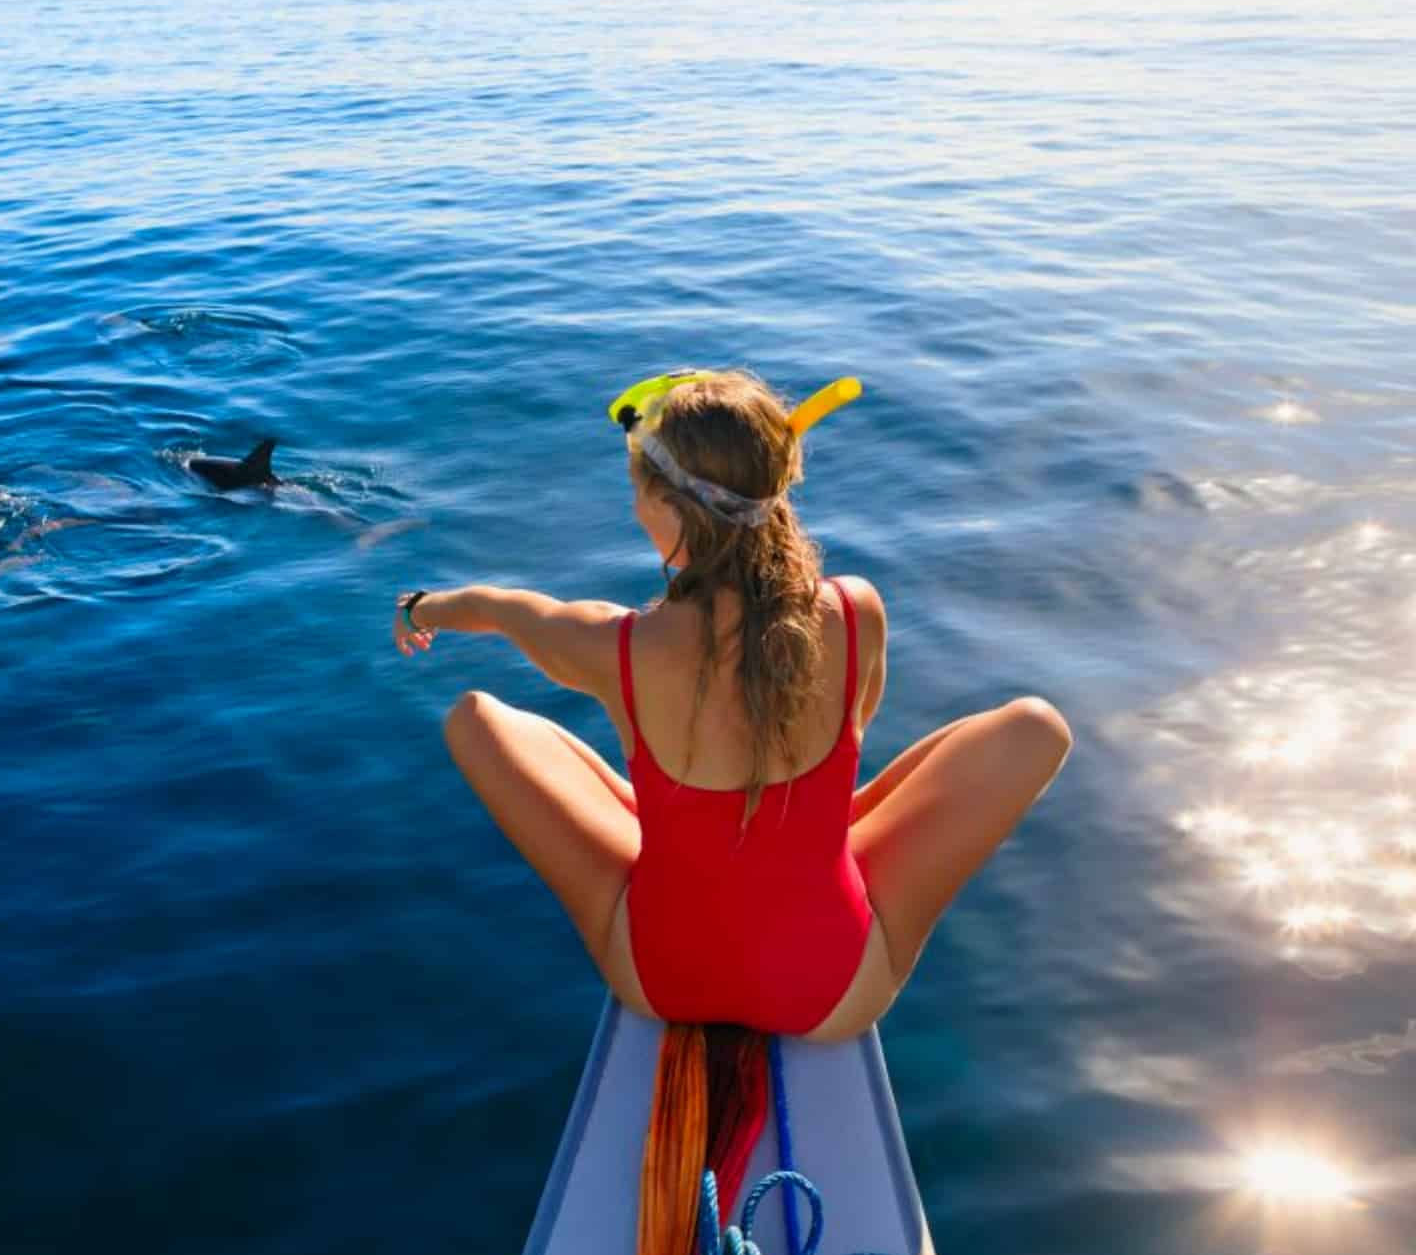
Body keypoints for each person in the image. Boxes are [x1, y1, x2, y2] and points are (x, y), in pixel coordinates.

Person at [390, 369, 1071, 1043]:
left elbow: (505, 611)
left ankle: (674, 815)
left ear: (666, 507)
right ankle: (793, 833)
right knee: (1038, 728)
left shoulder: (616, 646)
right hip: (834, 993)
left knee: (473, 718)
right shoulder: (855, 610)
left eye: (637, 492)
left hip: (659, 979)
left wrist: (421, 607)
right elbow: (857, 724)